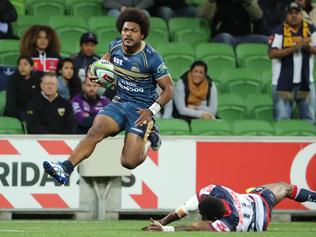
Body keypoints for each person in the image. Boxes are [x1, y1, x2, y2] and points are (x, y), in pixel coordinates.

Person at [43, 8, 174, 185]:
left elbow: (169, 89)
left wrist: (152, 111)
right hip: (119, 103)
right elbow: (100, 67)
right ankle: (66, 167)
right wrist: (95, 74)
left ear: (142, 35)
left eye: (133, 31)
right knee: (95, 130)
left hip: (141, 110)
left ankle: (151, 139)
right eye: (125, 30)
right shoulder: (115, 46)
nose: (128, 34)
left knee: (128, 162)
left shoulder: (151, 58)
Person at [144, 182, 316, 232]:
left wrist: (165, 228)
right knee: (285, 187)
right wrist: (162, 221)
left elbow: (194, 226)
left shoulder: (229, 221)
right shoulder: (213, 190)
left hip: (261, 220)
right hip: (258, 200)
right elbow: (185, 209)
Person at [269, 2, 316, 122]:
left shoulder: (310, 29)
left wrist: (307, 48)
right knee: (282, 120)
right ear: (285, 15)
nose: (294, 16)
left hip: (306, 82)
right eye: (290, 13)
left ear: (302, 14)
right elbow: (272, 53)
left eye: (297, 13)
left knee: (310, 120)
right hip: (281, 83)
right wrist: (295, 48)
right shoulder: (278, 30)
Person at [199, 0, 268, 47]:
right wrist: (211, 1)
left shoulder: (247, 2)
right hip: (221, 35)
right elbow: (204, 16)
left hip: (244, 36)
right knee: (225, 37)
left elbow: (258, 16)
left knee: (266, 40)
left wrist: (248, 3)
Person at [4, 56, 42, 121]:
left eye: (25, 64)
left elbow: (39, 101)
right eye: (20, 65)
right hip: (16, 113)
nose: (22, 67)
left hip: (32, 112)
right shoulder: (14, 79)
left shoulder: (37, 80)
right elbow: (10, 103)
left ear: (31, 67)